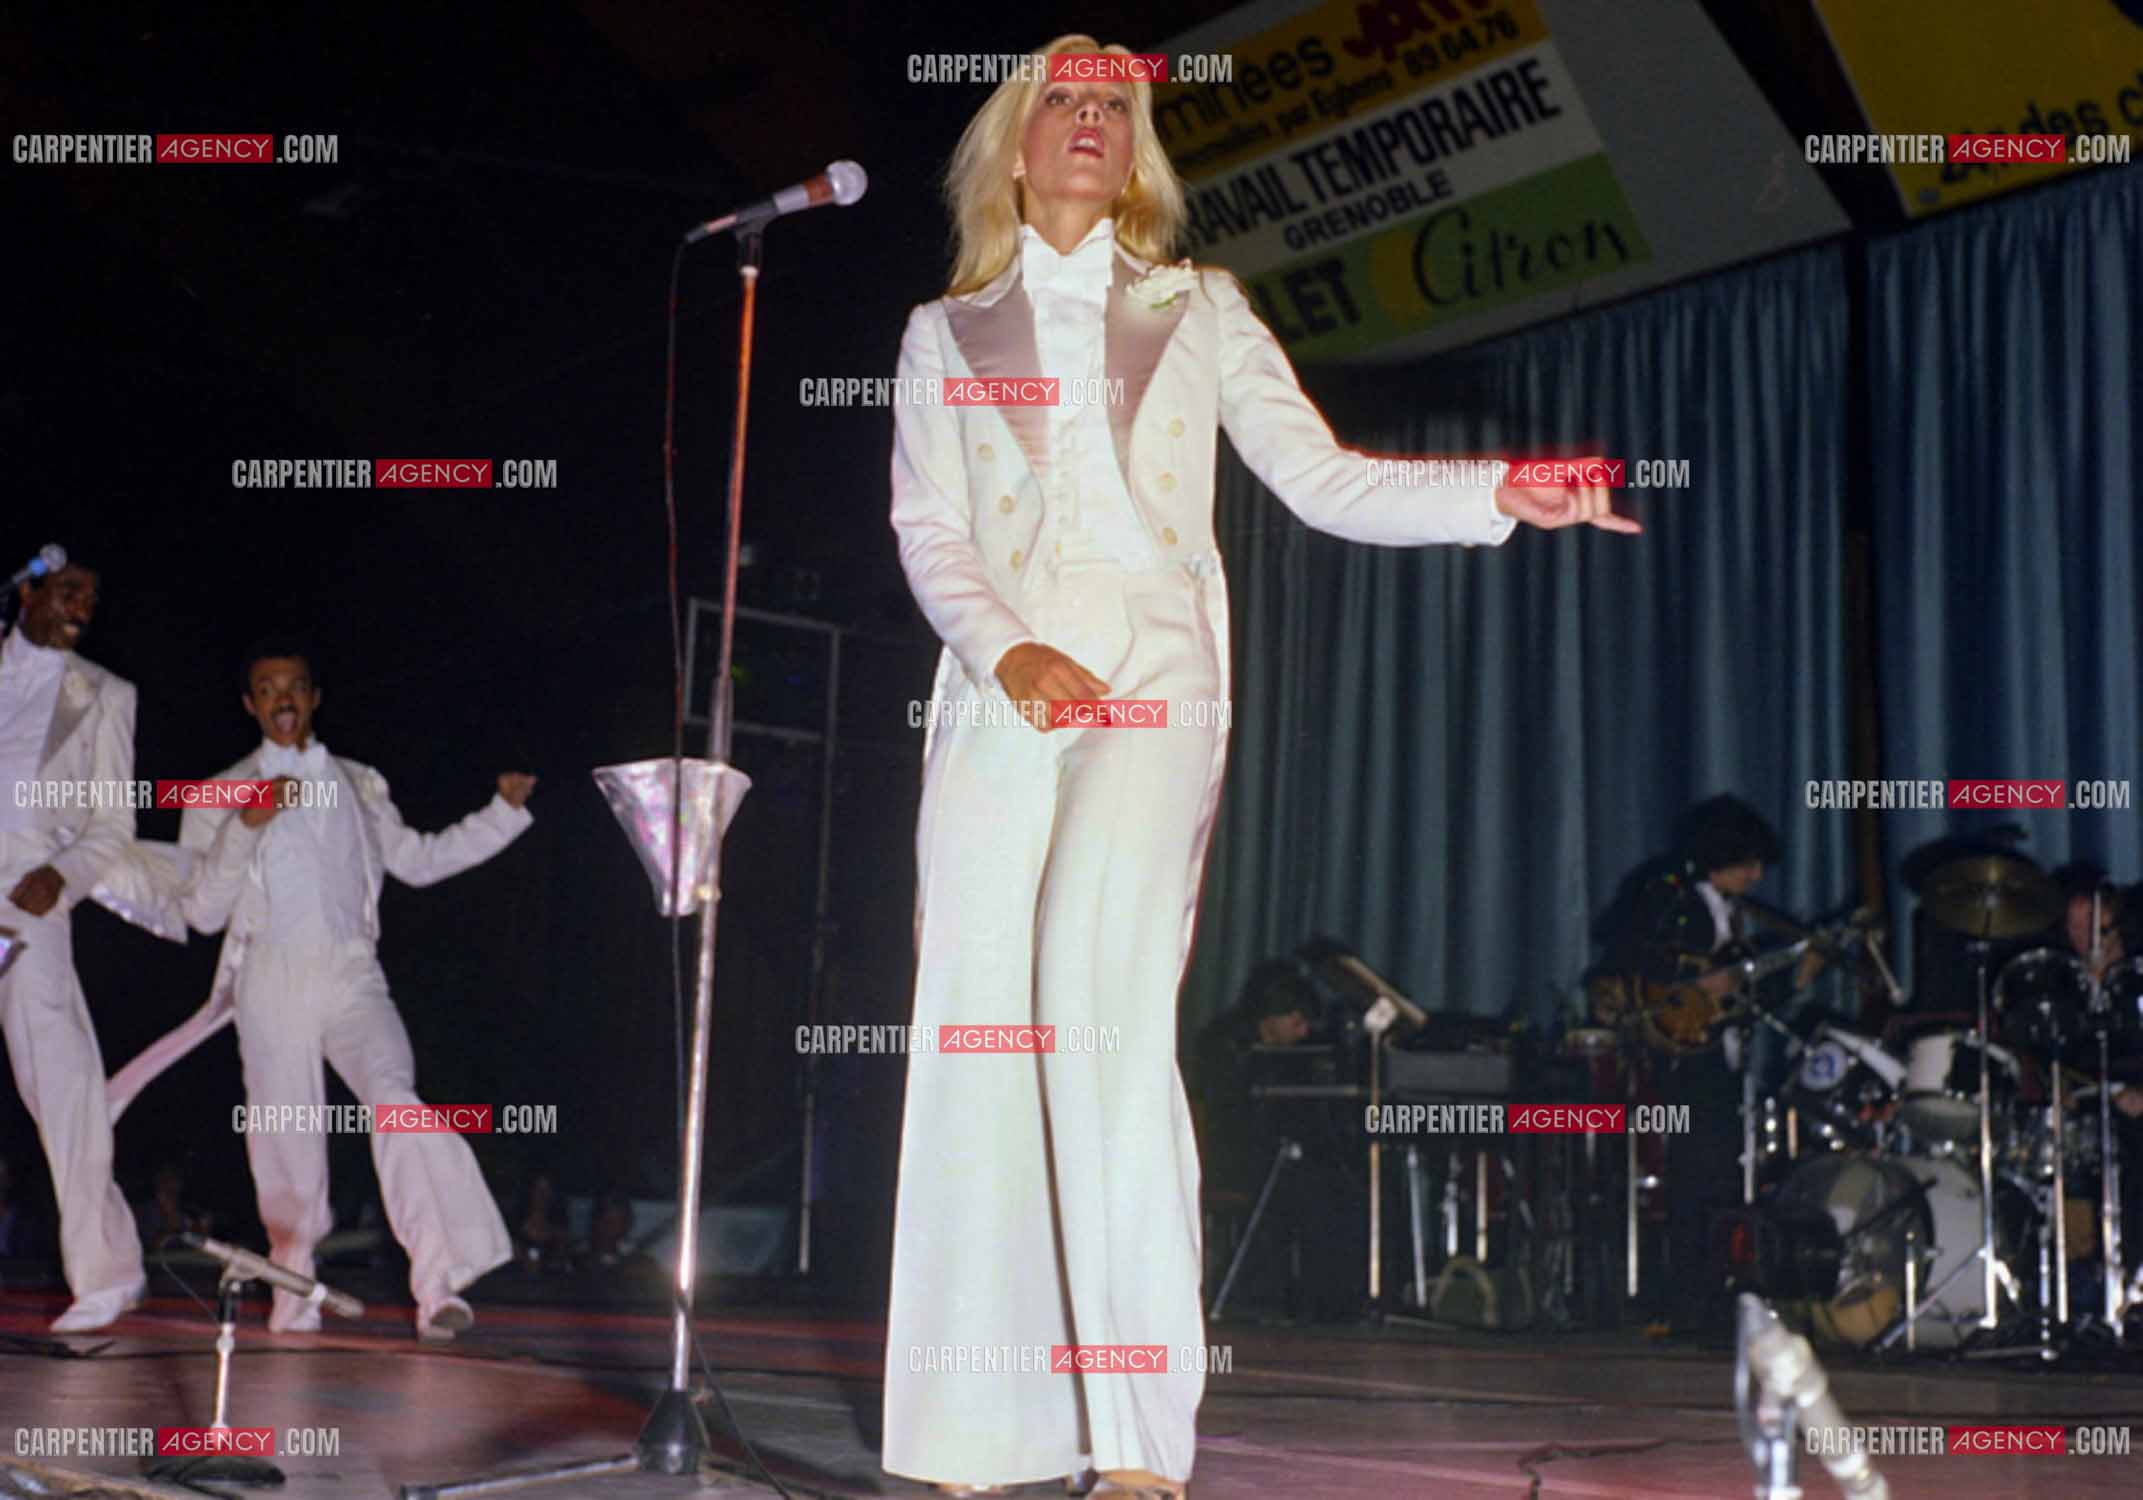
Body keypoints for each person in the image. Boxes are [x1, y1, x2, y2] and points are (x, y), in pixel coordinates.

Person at [880, 35, 1637, 1498]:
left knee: (1089, 997)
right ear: (1014, 142)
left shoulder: (1195, 306)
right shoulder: (940, 331)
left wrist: (1495, 490)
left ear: (1137, 145)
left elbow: (1323, 477)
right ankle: (979, 1427)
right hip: (998, 691)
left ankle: (1133, 1448)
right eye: (1066, 102)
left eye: (1117, 104)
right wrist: (1000, 650)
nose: (1093, 121)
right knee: (977, 1018)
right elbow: (929, 531)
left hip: (1152, 677)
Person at [131, 639, 536, 1339]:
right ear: (250, 704)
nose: (281, 698)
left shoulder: (359, 781)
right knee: (287, 1150)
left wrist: (499, 814)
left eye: (294, 686)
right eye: (266, 688)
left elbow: (418, 860)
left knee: (396, 1100)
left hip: (352, 972)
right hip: (269, 975)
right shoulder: (217, 794)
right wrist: (244, 826)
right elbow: (200, 911)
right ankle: (294, 1299)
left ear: (314, 697)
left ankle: (439, 1282)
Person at [0, 555, 148, 1331]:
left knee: (57, 1079)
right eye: (67, 592)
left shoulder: (105, 695)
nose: (82, 607)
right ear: (27, 592)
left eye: (91, 597)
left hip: (27, 898)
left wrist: (61, 876)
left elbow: (111, 826)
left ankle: (104, 1275)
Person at [1615, 795, 1794, 1339]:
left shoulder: (1734, 914)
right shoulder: (1675, 902)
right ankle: (1691, 1306)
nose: (1758, 875)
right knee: (1698, 1181)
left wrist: (1789, 972)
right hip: (1688, 1061)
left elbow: (1741, 992)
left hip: (1721, 1058)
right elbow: (1641, 963)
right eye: (1750, 863)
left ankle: (1711, 1302)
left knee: (1716, 1181)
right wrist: (1697, 987)